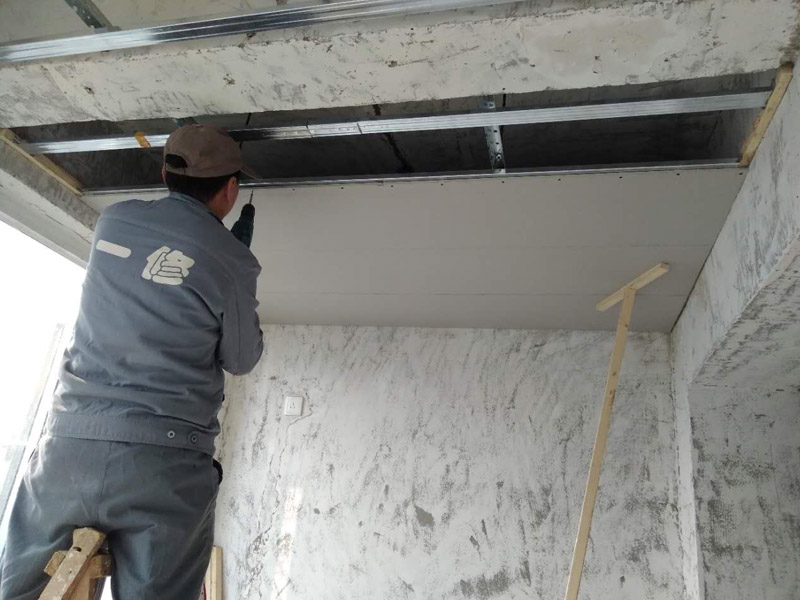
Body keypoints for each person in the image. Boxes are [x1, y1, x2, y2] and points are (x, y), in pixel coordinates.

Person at [0, 125, 263, 600]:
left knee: (18, 592)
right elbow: (241, 359)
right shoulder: (233, 261)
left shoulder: (113, 221)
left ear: (165, 175)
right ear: (230, 190)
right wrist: (233, 269)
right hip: (163, 466)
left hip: (68, 450)